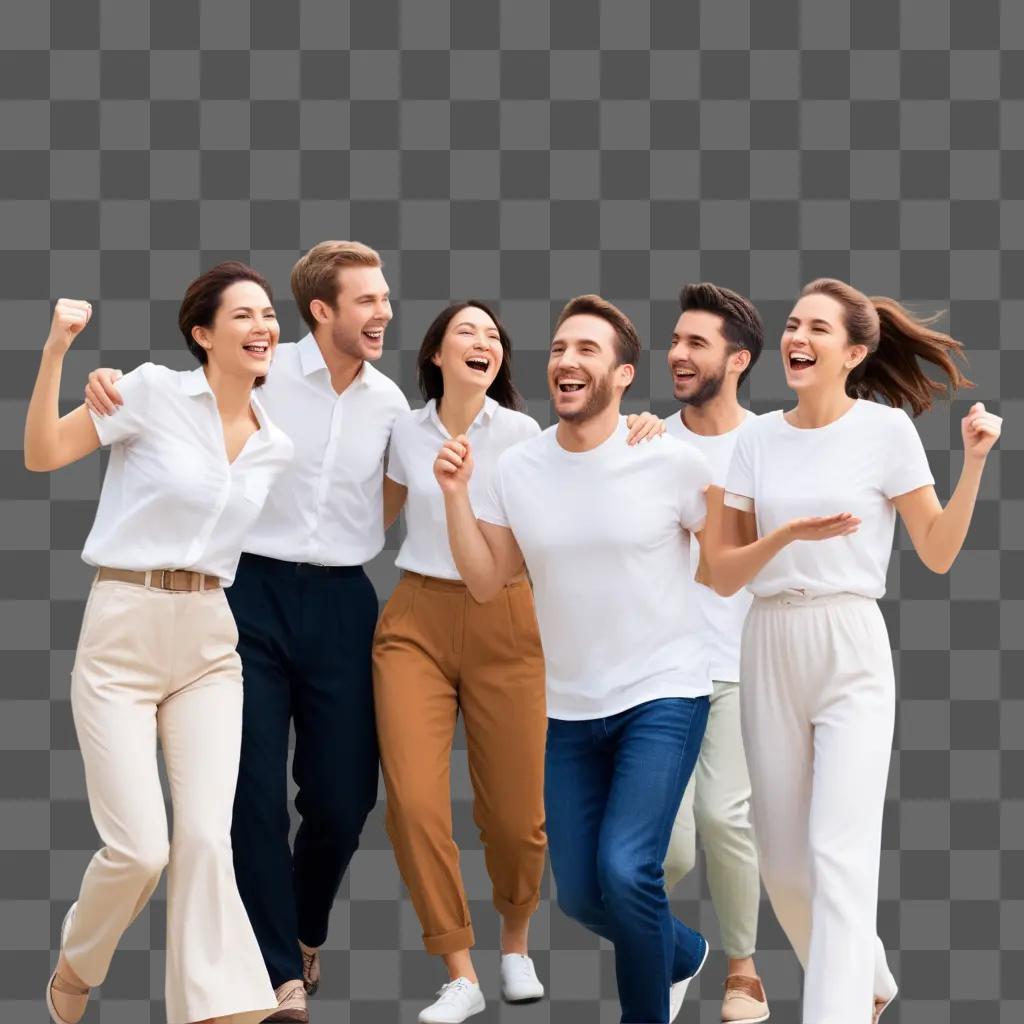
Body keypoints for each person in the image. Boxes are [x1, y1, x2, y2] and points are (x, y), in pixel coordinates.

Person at [84, 241, 410, 1024]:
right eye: (366, 300)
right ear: (322, 310)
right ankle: (275, 974)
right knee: (248, 795)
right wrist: (101, 380)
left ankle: (300, 928)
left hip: (341, 602)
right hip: (245, 595)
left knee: (343, 797)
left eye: (386, 297)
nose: (384, 312)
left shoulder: (391, 403)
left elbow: (389, 499)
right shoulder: (259, 370)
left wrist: (338, 544)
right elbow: (183, 416)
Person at [700, 278, 1002, 1024]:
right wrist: (785, 538)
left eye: (818, 330)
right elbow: (723, 572)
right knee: (784, 866)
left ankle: (836, 1013)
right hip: (768, 639)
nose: (797, 337)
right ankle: (869, 979)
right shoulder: (756, 440)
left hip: (851, 644)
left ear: (855, 352)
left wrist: (973, 466)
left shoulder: (886, 431)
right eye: (794, 324)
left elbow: (934, 552)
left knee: (839, 853)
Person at [375, 301, 665, 1023]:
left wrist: (646, 430)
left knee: (516, 817)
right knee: (412, 802)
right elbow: (360, 521)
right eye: (465, 332)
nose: (485, 343)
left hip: (511, 616)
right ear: (436, 354)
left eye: (494, 336)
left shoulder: (530, 438)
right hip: (414, 619)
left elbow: (596, 474)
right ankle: (458, 970)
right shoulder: (400, 432)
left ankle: (514, 944)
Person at [434, 295, 714, 1024]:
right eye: (559, 348)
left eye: (587, 349)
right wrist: (456, 497)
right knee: (585, 894)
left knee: (628, 872)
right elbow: (487, 578)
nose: (567, 360)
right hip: (568, 708)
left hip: (663, 694)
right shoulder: (518, 468)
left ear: (622, 376)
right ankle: (681, 953)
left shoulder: (669, 459)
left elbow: (729, 558)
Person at [27, 263, 293, 1024]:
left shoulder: (275, 446)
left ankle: (219, 1009)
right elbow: (43, 453)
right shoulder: (146, 392)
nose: (262, 327)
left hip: (210, 639)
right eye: (242, 315)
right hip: (123, 627)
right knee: (142, 851)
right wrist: (58, 351)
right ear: (203, 335)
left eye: (269, 315)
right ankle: (78, 963)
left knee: (210, 837)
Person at [661, 283, 770, 1024]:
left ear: (739, 360)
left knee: (727, 818)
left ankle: (744, 972)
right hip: (660, 668)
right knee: (665, 851)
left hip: (738, 663)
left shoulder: (769, 443)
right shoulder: (648, 440)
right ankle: (671, 953)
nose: (676, 353)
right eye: (675, 339)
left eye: (696, 343)